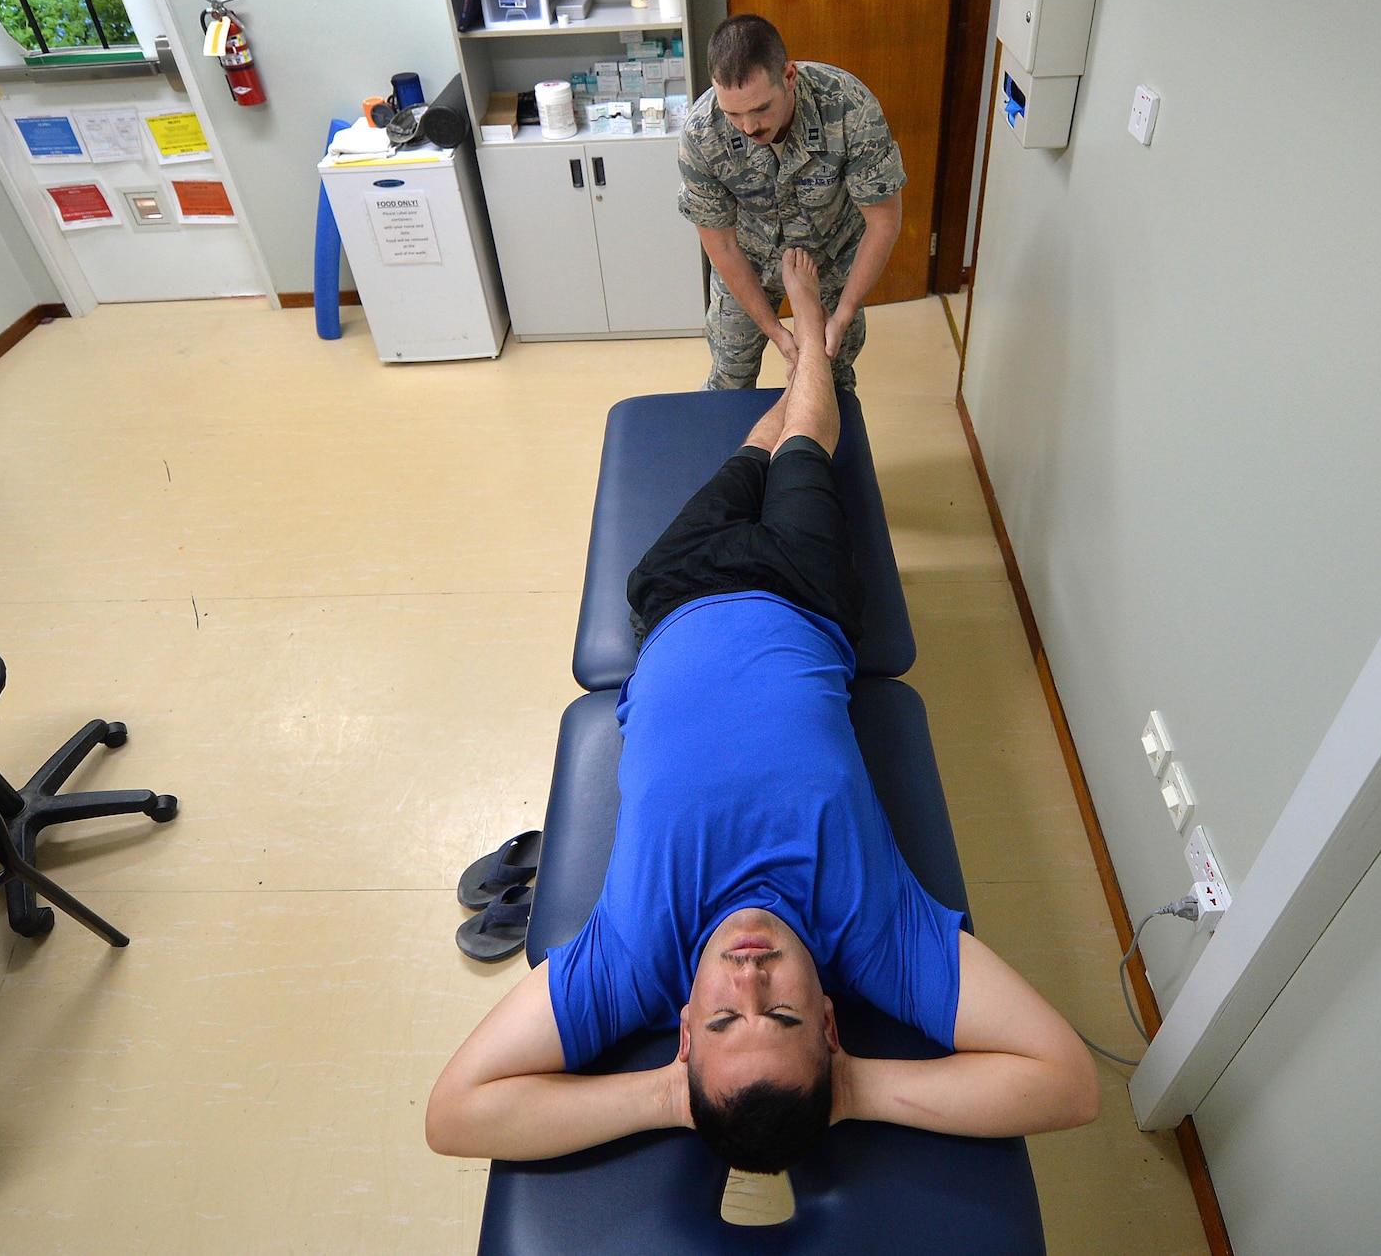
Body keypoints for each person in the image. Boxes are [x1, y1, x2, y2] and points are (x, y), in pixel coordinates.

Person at [426, 250, 1097, 1175]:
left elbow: (455, 1114)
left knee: (752, 451)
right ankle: (813, 327)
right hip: (801, 588)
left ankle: (798, 367)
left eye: (723, 1015)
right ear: (829, 1021)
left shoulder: (635, 960)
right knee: (807, 439)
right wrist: (851, 1088)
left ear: (684, 1027)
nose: (748, 975)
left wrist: (672, 1095)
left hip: (668, 599)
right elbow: (1067, 1081)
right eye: (781, 1012)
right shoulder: (874, 937)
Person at [677, 14, 905, 392]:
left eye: (760, 109)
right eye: (733, 113)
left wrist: (844, 311)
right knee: (729, 378)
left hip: (832, 254)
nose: (748, 127)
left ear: (788, 77)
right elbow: (721, 242)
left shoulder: (849, 107)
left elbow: (883, 222)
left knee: (830, 377)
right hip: (748, 257)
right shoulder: (702, 134)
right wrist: (774, 331)